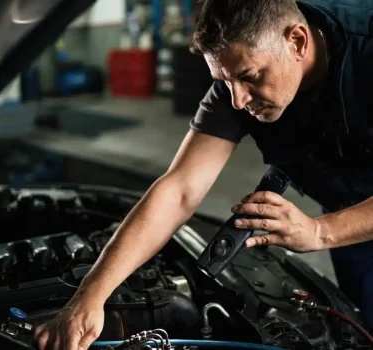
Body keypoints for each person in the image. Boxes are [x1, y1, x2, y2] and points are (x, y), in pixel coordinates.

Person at [34, 0, 373, 348]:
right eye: (224, 81)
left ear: (297, 42)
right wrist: (91, 295)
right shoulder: (235, 86)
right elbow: (179, 190)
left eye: (248, 77)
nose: (238, 101)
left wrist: (320, 231)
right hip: (350, 221)